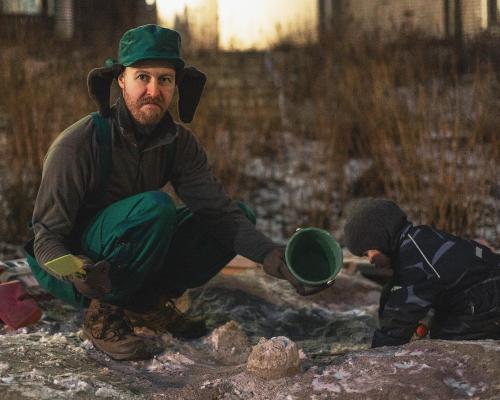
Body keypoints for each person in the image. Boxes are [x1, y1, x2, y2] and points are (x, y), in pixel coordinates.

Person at [26, 24, 301, 361]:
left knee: (238, 216)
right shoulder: (79, 143)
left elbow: (219, 214)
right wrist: (78, 272)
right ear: (121, 80)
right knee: (157, 207)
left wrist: (271, 256)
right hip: (81, 266)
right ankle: (103, 315)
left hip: (129, 251)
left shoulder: (179, 144)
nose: (153, 90)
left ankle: (146, 304)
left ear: (175, 86)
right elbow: (45, 238)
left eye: (164, 79)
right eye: (143, 77)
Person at [343, 198, 500, 348]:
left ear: (381, 239)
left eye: (366, 252)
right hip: (482, 290)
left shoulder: (414, 262)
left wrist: (375, 358)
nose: (370, 259)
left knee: (444, 349)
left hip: (486, 304)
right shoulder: (421, 237)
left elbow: (397, 320)